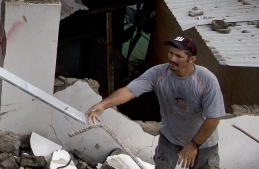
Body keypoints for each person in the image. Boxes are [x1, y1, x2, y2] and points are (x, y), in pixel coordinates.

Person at [85, 36, 226, 169]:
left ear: (192, 59)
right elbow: (129, 91)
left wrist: (194, 145)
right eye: (171, 53)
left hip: (203, 142)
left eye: (179, 56)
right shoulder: (158, 73)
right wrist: (103, 104)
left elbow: (213, 117)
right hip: (170, 138)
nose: (172, 59)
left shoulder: (206, 80)